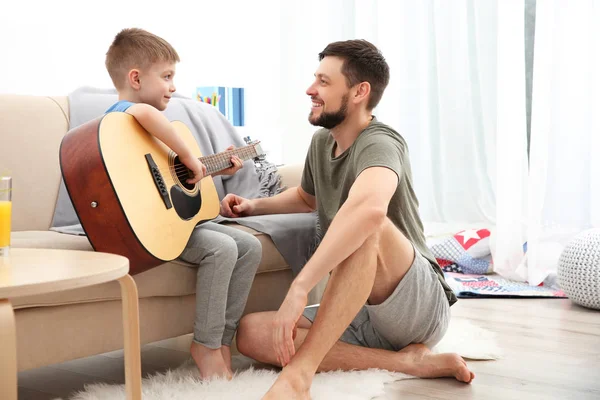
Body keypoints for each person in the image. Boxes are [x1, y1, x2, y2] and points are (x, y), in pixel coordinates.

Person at [220, 39, 474, 399]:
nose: (311, 90)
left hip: (416, 304)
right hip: (362, 312)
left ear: (359, 92)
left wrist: (301, 287)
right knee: (252, 334)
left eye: (324, 82)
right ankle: (406, 363)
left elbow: (370, 211)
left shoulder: (382, 142)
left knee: (366, 226)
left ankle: (299, 376)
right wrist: (252, 206)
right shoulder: (322, 143)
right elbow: (308, 197)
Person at [104, 28, 262, 380]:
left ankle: (221, 340)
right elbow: (147, 118)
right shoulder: (122, 118)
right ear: (135, 77)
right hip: (144, 230)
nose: (174, 87)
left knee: (249, 246)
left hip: (165, 220)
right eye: (167, 76)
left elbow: (165, 184)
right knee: (221, 248)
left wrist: (204, 168)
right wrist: (192, 157)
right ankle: (204, 345)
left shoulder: (147, 138)